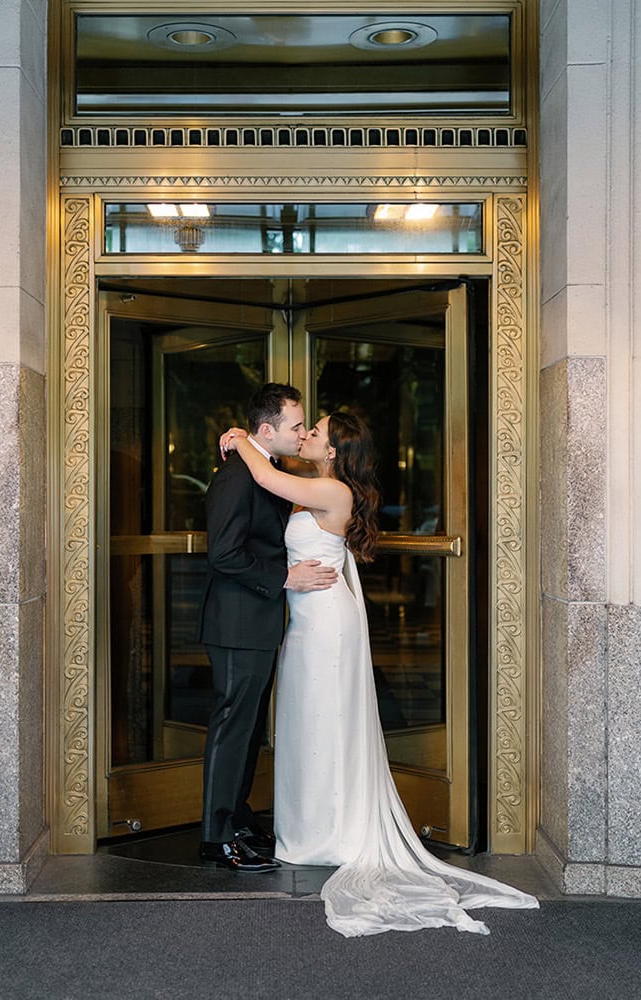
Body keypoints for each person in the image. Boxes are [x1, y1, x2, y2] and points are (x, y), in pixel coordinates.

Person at [217, 410, 540, 936]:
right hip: (306, 623)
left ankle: (331, 836)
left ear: (335, 451)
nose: (308, 436)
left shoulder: (335, 492)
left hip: (326, 626)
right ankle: (307, 831)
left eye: (316, 432)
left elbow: (267, 477)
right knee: (307, 725)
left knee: (326, 724)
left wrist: (239, 438)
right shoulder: (317, 487)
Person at [197, 383, 338, 873]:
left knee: (250, 728)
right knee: (233, 726)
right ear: (266, 430)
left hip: (257, 623)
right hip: (236, 623)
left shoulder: (265, 467)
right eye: (296, 426)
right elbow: (225, 554)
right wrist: (285, 577)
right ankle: (217, 838)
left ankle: (236, 819)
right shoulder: (238, 477)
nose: (301, 434)